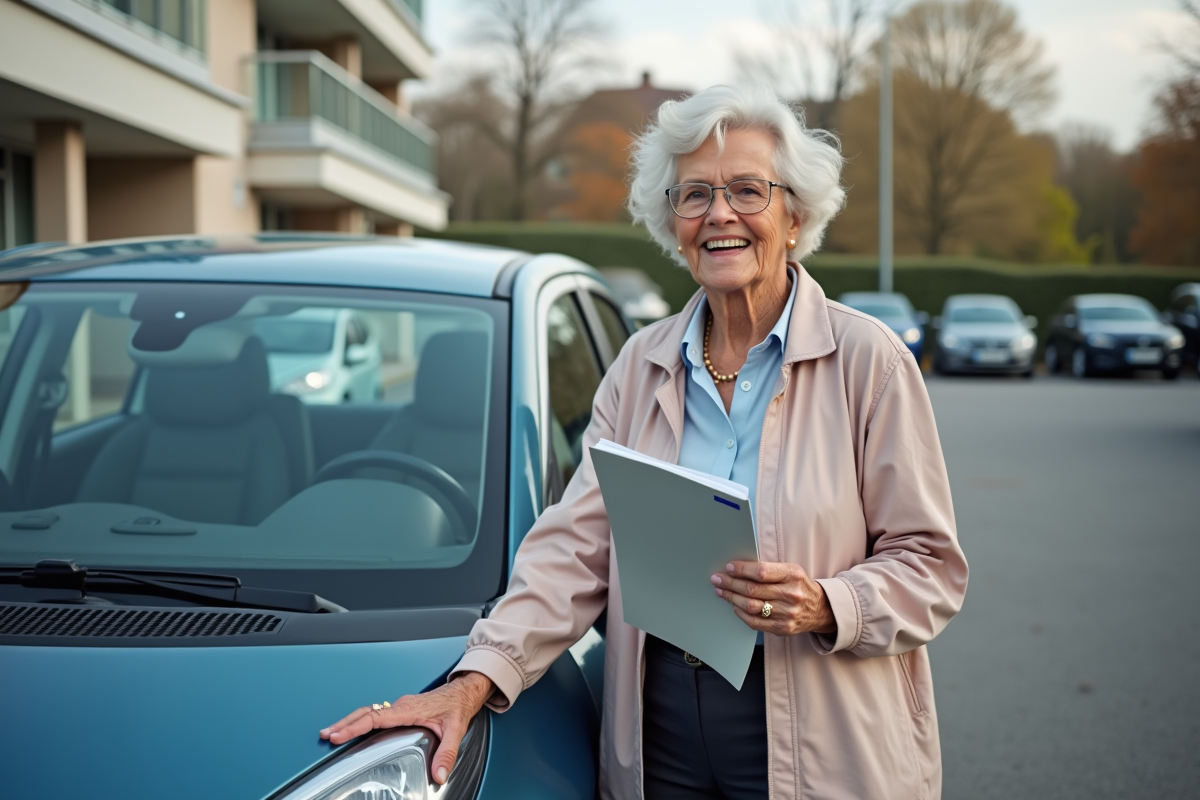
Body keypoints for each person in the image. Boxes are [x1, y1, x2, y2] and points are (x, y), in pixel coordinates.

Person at [321, 84, 968, 800]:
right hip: (660, 725)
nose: (719, 213)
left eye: (747, 190)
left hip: (820, 723)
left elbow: (930, 568)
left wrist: (828, 602)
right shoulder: (640, 364)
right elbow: (574, 547)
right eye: (694, 195)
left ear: (795, 215)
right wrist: (473, 682)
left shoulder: (868, 362)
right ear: (674, 223)